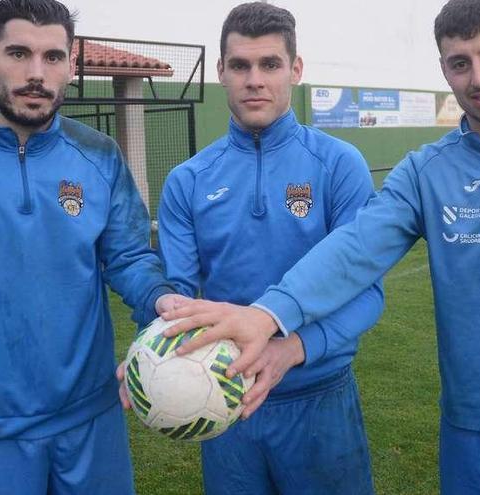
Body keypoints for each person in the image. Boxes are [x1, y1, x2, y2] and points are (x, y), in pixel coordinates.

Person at [163, 0, 480, 493]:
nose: (479, 78)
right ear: (445, 71)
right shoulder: (426, 171)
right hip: (473, 425)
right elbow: (356, 249)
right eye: (460, 63)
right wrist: (269, 314)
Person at [0, 0, 184, 492]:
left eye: (52, 57)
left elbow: (129, 256)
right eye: (18, 53)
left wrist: (159, 298)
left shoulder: (99, 155)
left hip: (90, 415)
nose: (35, 73)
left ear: (71, 66)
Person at [138, 2, 384, 494]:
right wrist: (153, 347)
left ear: (294, 69)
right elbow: (182, 297)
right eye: (241, 65)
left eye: (270, 64)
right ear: (221, 73)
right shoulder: (188, 181)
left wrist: (292, 349)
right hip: (226, 400)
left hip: (319, 399)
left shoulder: (338, 165)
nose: (255, 79)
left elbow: (367, 292)